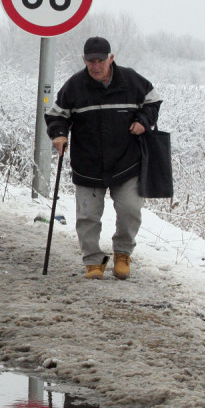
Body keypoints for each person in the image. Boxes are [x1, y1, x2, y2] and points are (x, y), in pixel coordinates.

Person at [44, 36, 161, 280]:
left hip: (126, 162)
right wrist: (58, 133)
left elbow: (152, 100)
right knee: (87, 216)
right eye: (90, 61)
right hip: (88, 164)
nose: (96, 66)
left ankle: (122, 253)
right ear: (84, 60)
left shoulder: (131, 80)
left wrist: (143, 121)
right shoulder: (75, 86)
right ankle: (93, 261)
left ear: (111, 58)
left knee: (130, 210)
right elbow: (57, 114)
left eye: (100, 61)